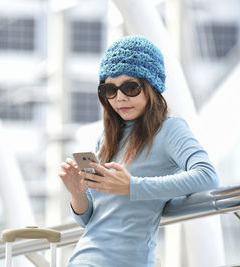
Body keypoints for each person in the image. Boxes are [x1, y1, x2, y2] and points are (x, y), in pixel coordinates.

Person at [58, 35, 219, 267]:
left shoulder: (169, 129)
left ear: (151, 86)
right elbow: (88, 220)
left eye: (130, 87)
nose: (120, 97)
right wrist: (77, 192)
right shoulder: (106, 139)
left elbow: (208, 177)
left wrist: (132, 186)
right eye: (110, 90)